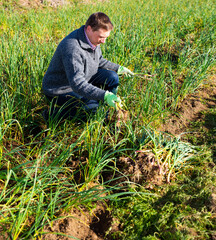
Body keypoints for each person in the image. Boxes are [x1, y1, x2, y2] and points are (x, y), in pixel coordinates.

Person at [42, 12, 133, 121]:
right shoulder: (72, 48)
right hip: (61, 89)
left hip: (84, 77)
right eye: (101, 37)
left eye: (106, 37)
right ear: (89, 29)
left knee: (112, 77)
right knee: (93, 110)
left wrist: (119, 68)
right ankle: (52, 114)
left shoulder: (93, 40)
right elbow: (77, 84)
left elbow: (99, 60)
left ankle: (109, 107)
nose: (103, 41)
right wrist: (104, 95)